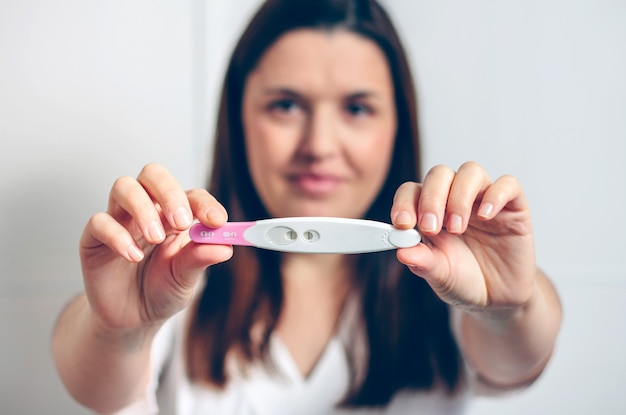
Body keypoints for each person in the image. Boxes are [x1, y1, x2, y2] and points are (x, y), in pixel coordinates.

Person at [51, 0, 562, 414]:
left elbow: (518, 360)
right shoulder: (174, 267)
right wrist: (119, 331)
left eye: (357, 108)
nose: (318, 144)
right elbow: (96, 387)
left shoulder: (450, 278)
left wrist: (509, 309)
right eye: (286, 105)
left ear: (397, 126)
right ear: (239, 118)